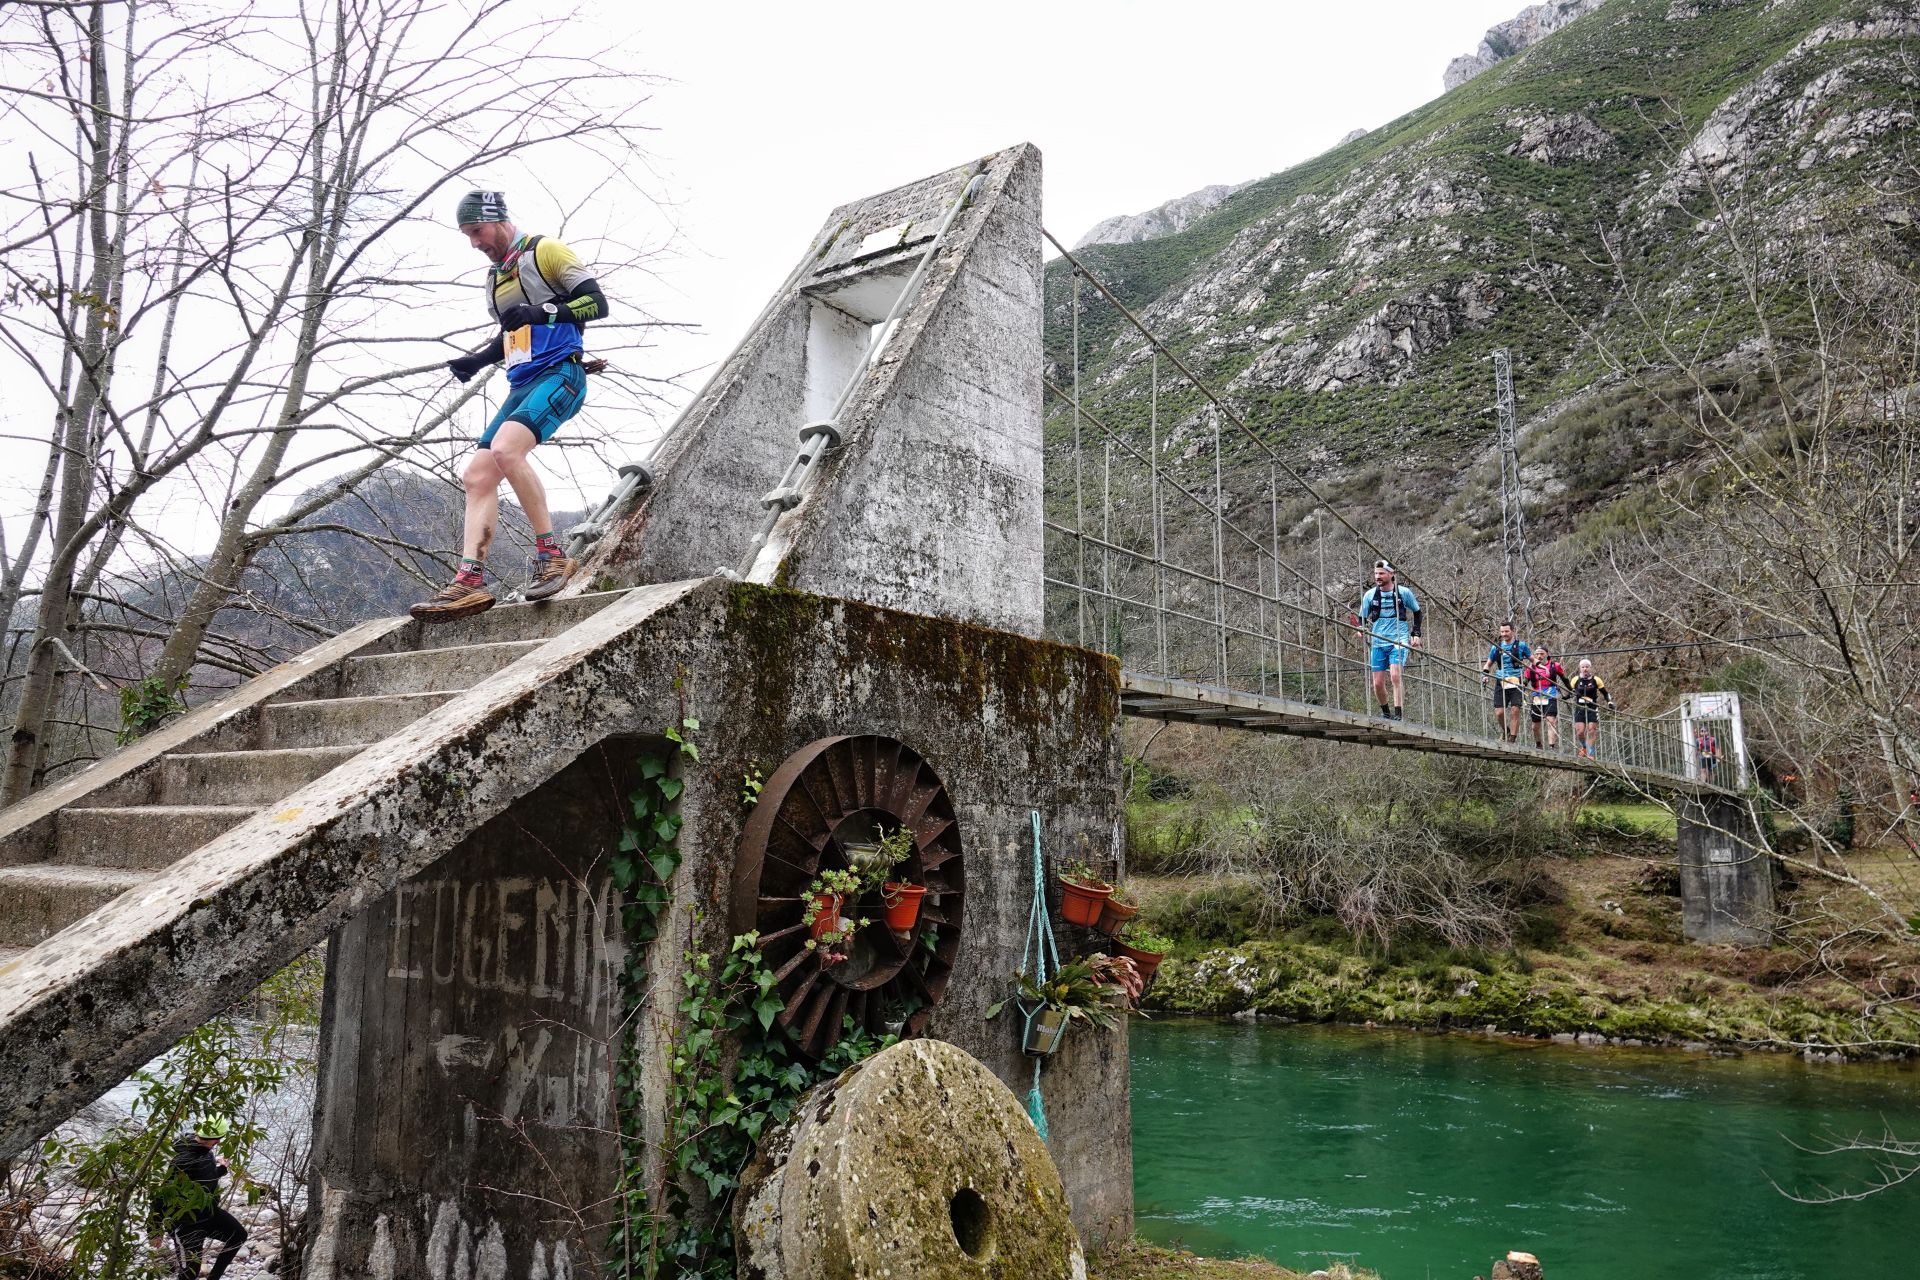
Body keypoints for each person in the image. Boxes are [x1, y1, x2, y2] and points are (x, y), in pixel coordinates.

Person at [412, 190, 610, 621]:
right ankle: (469, 582)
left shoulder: (546, 251)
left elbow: (597, 303)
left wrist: (544, 313)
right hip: (520, 383)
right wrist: (479, 359)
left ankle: (552, 557)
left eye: (476, 231)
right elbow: (513, 335)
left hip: (561, 373)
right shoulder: (495, 278)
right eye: (466, 236)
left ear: (497, 219)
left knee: (505, 451)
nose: (474, 243)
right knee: (478, 474)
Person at [149, 1120, 247, 1280]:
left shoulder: (205, 1151)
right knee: (189, 1273)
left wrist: (221, 1170)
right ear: (214, 1139)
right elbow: (162, 1195)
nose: (219, 1142)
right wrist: (154, 1229)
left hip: (208, 1213)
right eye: (219, 1139)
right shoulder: (182, 1160)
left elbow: (201, 1178)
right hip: (185, 1223)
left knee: (238, 1236)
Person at [1357, 560, 1422, 721]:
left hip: (1398, 641)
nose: (1377, 577)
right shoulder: (1370, 595)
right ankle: (1386, 713)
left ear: (1391, 574)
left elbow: (1417, 612)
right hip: (1378, 641)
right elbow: (1362, 618)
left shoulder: (1404, 592)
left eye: (1381, 573)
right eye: (1376, 573)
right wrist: (1360, 628)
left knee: (1395, 675)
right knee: (1377, 684)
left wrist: (1416, 633)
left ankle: (1398, 714)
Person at [1481, 621, 1531, 743]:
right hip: (1501, 680)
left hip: (1516, 681)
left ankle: (1512, 740)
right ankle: (1506, 730)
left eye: (1506, 631)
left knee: (1515, 710)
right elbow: (1488, 663)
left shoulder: (1522, 645)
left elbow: (1532, 660)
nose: (1504, 634)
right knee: (1499, 712)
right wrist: (1485, 675)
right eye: (1502, 631)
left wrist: (1540, 668)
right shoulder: (1496, 647)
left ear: (1512, 631)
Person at [1522, 645, 1571, 749]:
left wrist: (1571, 691)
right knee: (1535, 727)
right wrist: (1521, 691)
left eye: (1542, 654)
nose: (1539, 656)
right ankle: (1539, 744)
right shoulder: (1530, 667)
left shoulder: (1555, 666)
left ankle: (1551, 747)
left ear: (1547, 654)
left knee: (1551, 721)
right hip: (1536, 698)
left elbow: (1565, 679)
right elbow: (1525, 682)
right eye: (1537, 654)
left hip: (1551, 696)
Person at [1568, 658, 1615, 759]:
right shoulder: (1575, 679)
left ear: (1590, 668)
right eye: (1583, 667)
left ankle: (1591, 753)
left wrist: (1610, 702)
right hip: (1579, 707)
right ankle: (1584, 747)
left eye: (1587, 667)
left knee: (1591, 730)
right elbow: (1570, 692)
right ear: (1580, 668)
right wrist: (1564, 696)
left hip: (1592, 707)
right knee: (1580, 732)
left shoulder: (1596, 680)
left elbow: (1605, 693)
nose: (1585, 669)